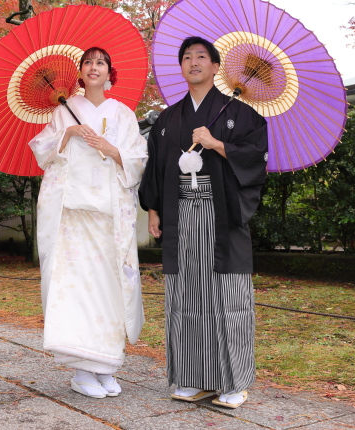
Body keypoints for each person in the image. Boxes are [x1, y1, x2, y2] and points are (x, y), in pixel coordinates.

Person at [138, 36, 268, 409]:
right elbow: (157, 166)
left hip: (221, 212)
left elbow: (256, 159)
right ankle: (194, 378)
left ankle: (234, 381)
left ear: (215, 66)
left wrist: (216, 144)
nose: (193, 62)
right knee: (186, 295)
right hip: (180, 214)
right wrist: (153, 208)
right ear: (181, 67)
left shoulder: (241, 114)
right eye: (186, 57)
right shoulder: (167, 119)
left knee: (229, 297)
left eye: (201, 56)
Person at [29, 47, 147, 399]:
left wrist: (111, 149)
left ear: (110, 72)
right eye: (88, 62)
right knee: (76, 289)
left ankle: (106, 365)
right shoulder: (63, 111)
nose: (94, 67)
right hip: (71, 216)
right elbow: (42, 150)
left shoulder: (123, 113)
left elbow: (139, 158)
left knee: (109, 289)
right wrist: (68, 134)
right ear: (80, 72)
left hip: (109, 215)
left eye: (101, 62)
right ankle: (82, 371)